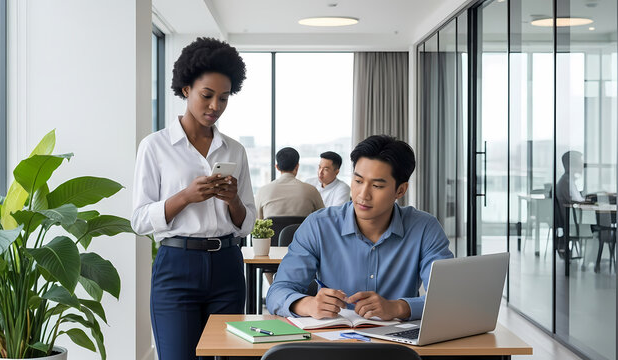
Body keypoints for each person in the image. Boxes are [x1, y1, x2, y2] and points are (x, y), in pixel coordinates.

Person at [131, 37, 256, 360]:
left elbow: (247, 223)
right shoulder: (155, 147)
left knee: (231, 358)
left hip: (228, 266)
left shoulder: (235, 150)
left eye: (224, 98)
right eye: (207, 95)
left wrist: (233, 201)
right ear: (186, 89)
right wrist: (185, 197)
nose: (215, 106)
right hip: (176, 268)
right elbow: (140, 219)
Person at [266, 135, 453, 321]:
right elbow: (277, 292)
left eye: (377, 185)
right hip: (332, 342)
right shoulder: (319, 225)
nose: (363, 195)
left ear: (400, 190)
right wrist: (309, 304)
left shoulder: (424, 228)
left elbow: (447, 297)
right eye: (358, 181)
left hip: (399, 346)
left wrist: (398, 307)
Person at [255, 147, 325, 219]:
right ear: (297, 166)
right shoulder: (311, 191)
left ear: (277, 167)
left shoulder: (262, 191)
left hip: (272, 230)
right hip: (303, 230)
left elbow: (256, 223)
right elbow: (323, 219)